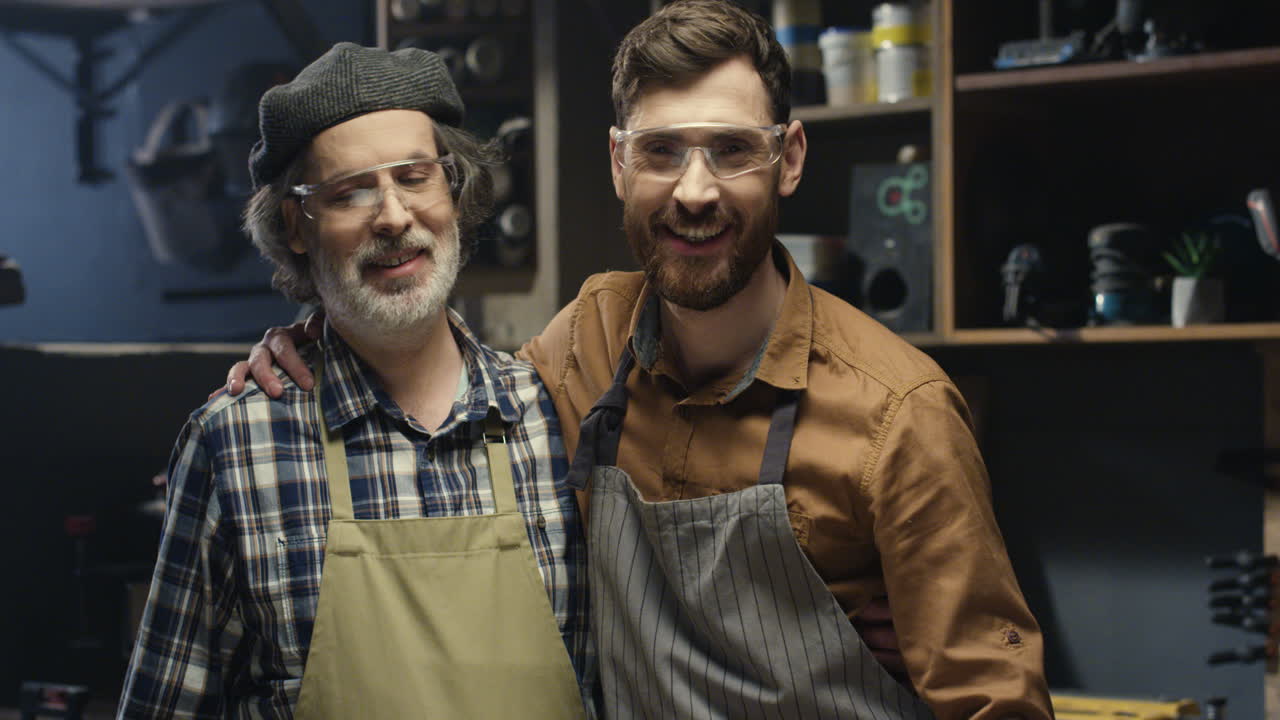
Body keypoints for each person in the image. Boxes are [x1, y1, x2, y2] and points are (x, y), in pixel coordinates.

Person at [228, 2, 1054, 717]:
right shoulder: (584, 341)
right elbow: (434, 377)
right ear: (621, 162)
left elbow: (993, 701)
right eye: (663, 152)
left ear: (789, 158)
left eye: (732, 149)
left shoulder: (899, 414)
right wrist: (320, 331)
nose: (694, 191)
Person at [120, 43, 594, 719]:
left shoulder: (556, 413)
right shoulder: (236, 446)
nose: (394, 216)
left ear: (455, 194)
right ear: (297, 226)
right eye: (351, 192)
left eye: (415, 177)